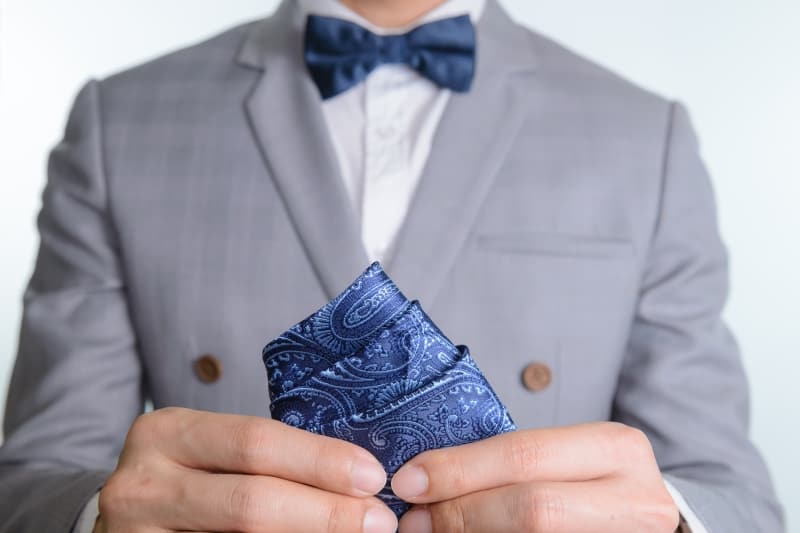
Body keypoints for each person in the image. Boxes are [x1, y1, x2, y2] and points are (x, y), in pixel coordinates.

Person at [0, 0, 784, 531]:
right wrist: (97, 515)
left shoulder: (645, 137)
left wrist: (672, 519)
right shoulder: (120, 123)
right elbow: (32, 477)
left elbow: (736, 495)